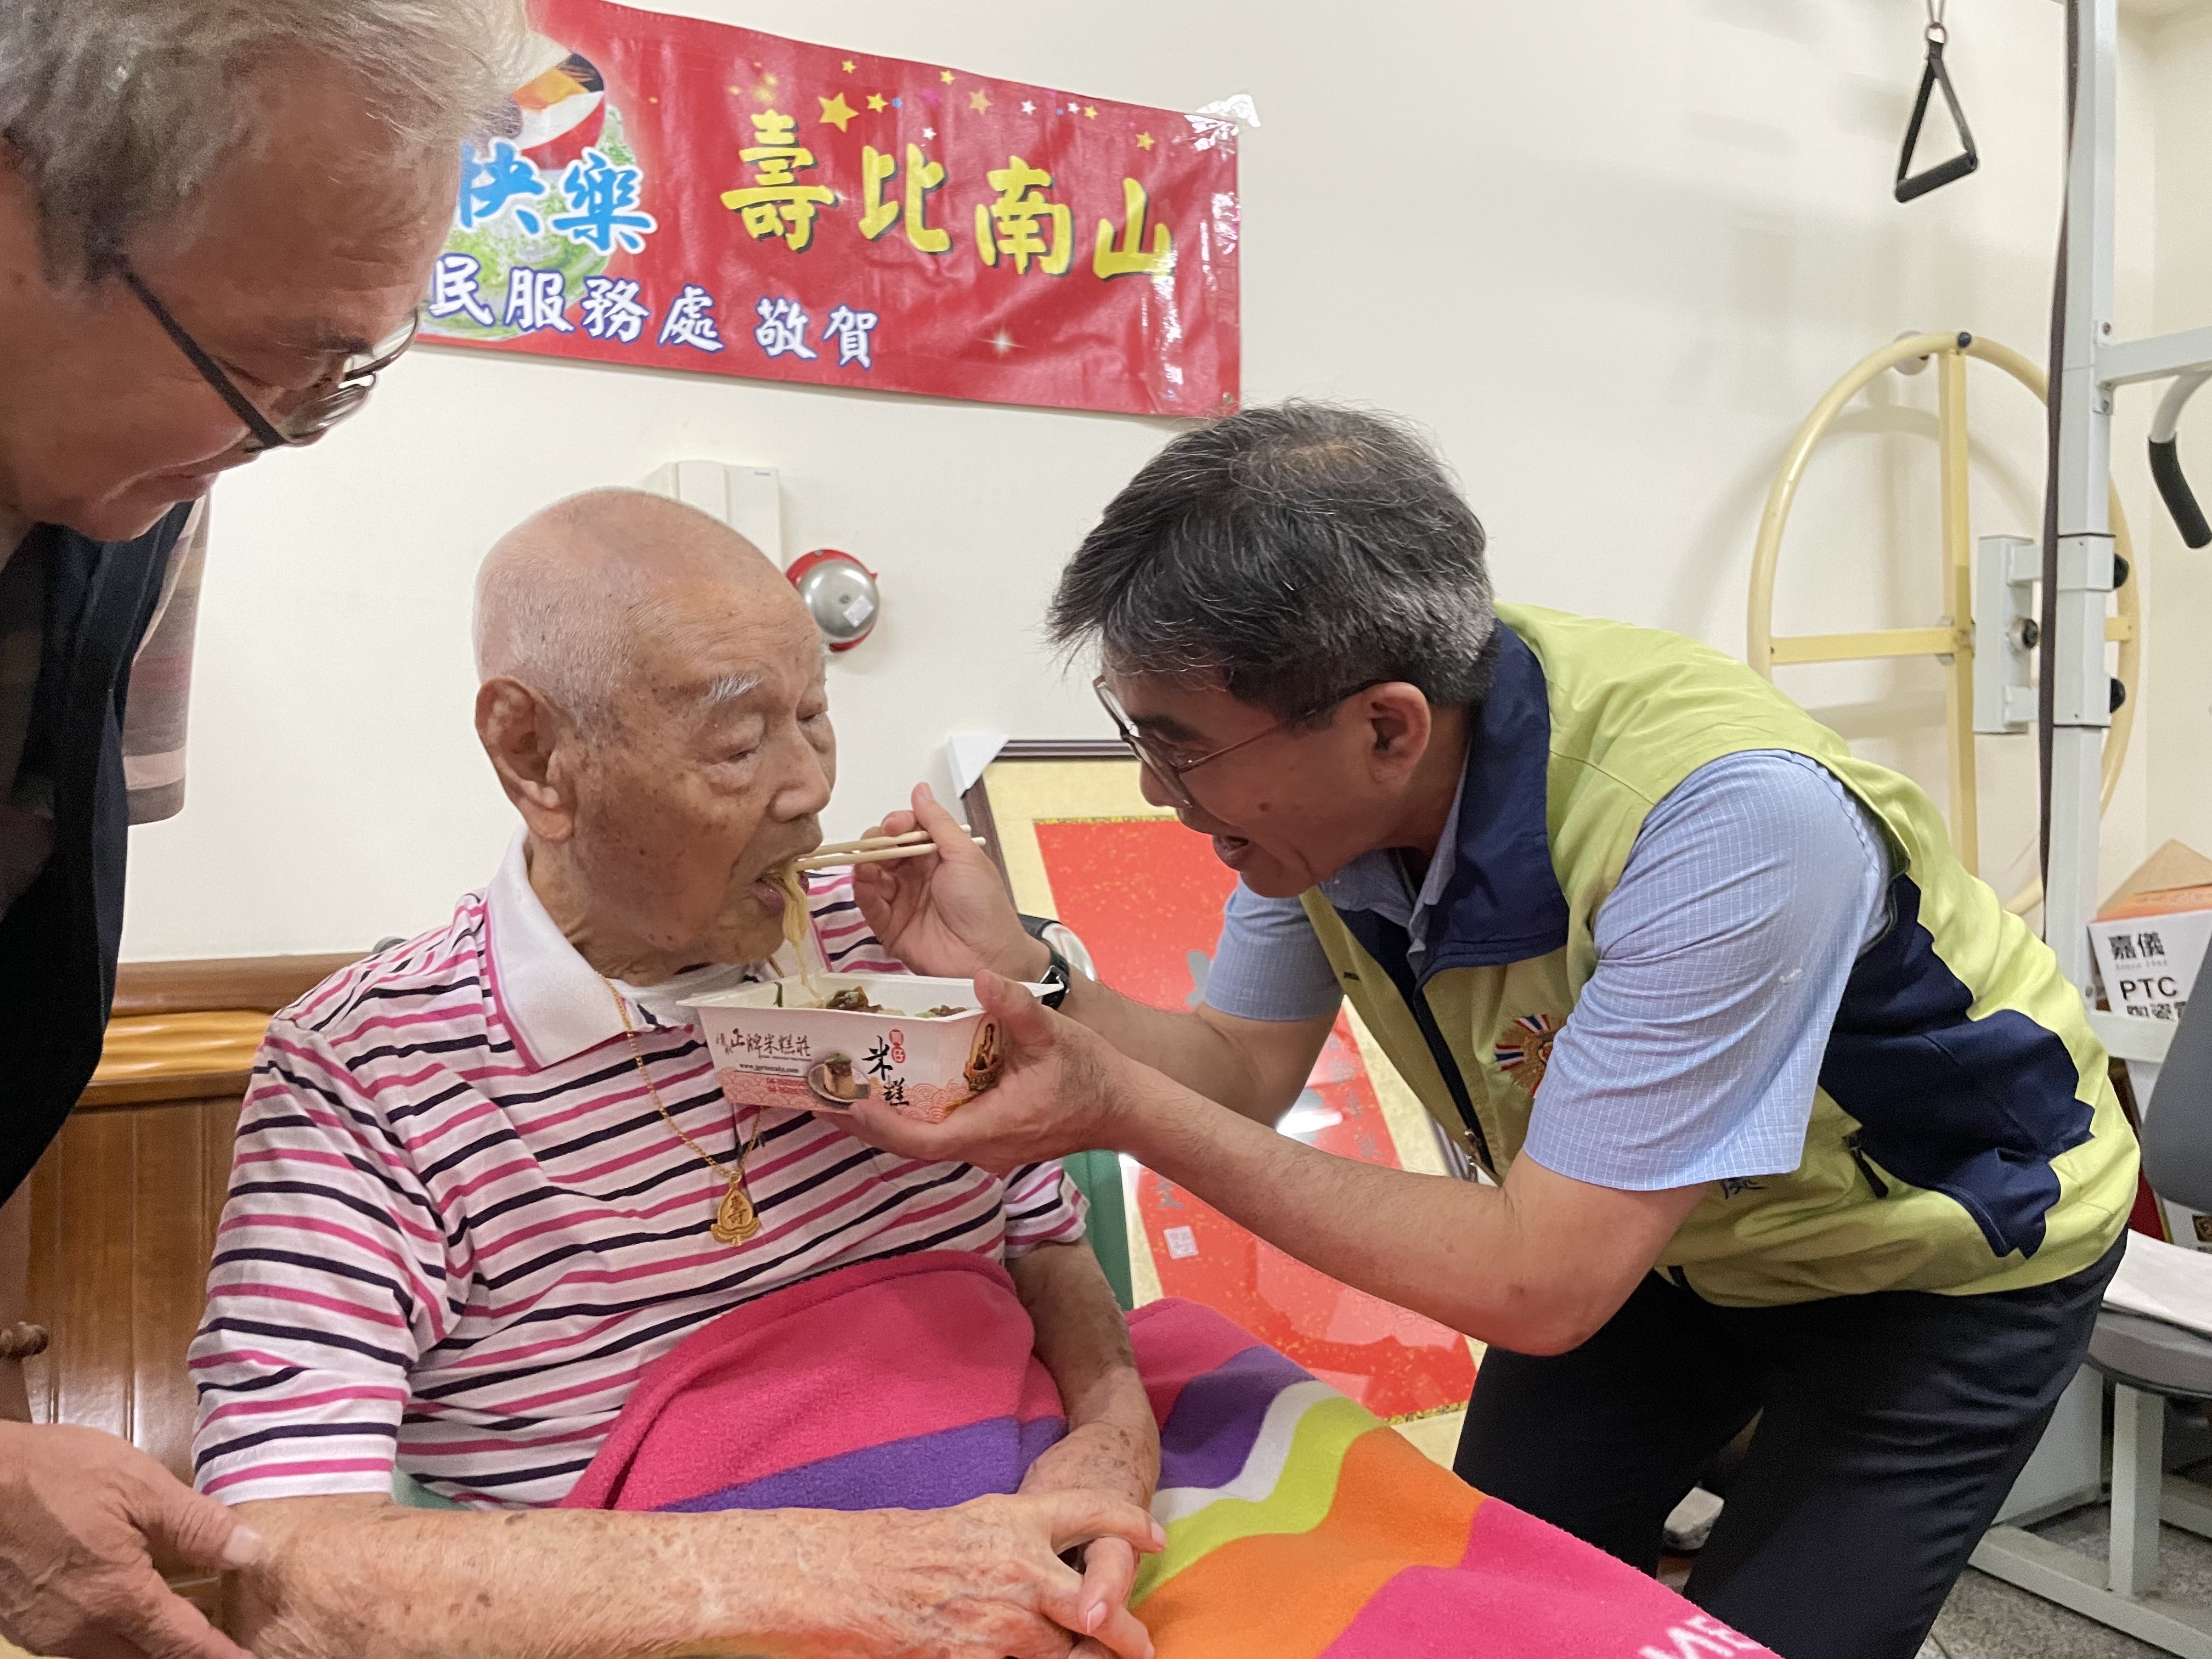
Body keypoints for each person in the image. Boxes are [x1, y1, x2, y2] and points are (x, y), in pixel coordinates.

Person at [842, 402, 2140, 1659]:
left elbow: (1540, 1284)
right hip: (1665, 1241)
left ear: (1389, 727)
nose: (1152, 790)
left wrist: (1112, 1108)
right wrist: (1027, 971)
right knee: (1498, 1596)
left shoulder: (1723, 822)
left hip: (1936, 1253)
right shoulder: (1334, 794)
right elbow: (1236, 1074)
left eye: (1180, 751)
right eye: (1144, 737)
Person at [188, 490, 1160, 1659]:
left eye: (815, 717)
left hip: (1069, 1549)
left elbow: (1046, 1245)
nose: (807, 791)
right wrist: (869, 1576)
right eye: (742, 743)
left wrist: (1110, 1440)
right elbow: (278, 1561)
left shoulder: (892, 959)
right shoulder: (367, 1073)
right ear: (534, 755)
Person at [0, 5, 529, 1657]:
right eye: (277, 364)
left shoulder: (138, 498)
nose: (285, 434)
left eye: (347, 377)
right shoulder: (375, 1059)